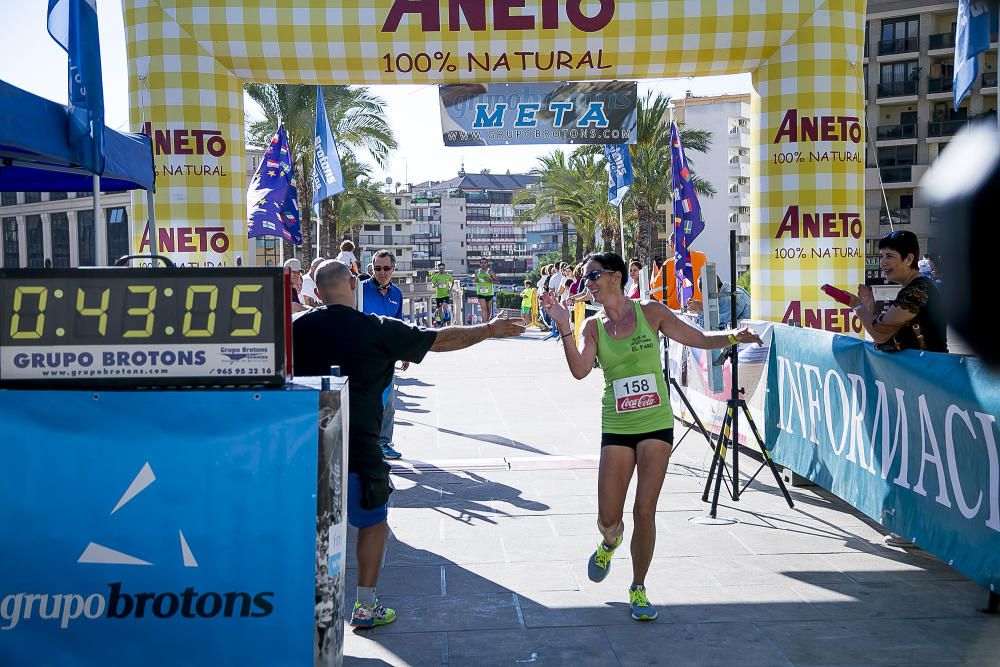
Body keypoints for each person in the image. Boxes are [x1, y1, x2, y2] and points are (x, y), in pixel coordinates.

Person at [293, 260, 525, 629]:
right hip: (361, 450)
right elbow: (441, 339)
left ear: (316, 293)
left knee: (305, 528)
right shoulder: (377, 329)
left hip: (305, 453)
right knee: (373, 523)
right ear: (355, 283)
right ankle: (365, 606)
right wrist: (489, 329)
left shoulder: (295, 329)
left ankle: (303, 606)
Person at [541, 252, 762, 622]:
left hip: (656, 422)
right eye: (584, 278)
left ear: (616, 277)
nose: (587, 284)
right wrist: (564, 325)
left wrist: (732, 336)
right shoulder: (592, 327)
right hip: (618, 425)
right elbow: (580, 370)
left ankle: (638, 587)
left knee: (645, 510)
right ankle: (610, 542)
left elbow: (697, 338)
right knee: (608, 517)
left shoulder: (651, 312)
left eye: (593, 276)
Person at [847, 230, 947, 548]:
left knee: (918, 461)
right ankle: (911, 526)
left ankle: (917, 530)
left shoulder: (918, 291)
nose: (884, 263)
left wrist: (864, 313)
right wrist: (873, 310)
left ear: (909, 258)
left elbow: (878, 333)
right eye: (882, 256)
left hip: (929, 386)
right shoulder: (911, 290)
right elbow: (884, 328)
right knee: (911, 458)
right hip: (917, 386)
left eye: (890, 257)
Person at [361, 250, 407, 460]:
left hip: (387, 357)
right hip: (363, 356)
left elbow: (400, 325)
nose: (382, 272)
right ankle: (364, 444)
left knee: (387, 403)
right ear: (372, 268)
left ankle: (384, 443)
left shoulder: (396, 294)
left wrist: (405, 351)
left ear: (393, 269)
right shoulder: (360, 290)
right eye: (377, 268)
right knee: (365, 401)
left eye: (386, 268)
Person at [650, 233, 707, 309]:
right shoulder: (702, 257)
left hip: (678, 314)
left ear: (673, 245)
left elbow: (657, 293)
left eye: (669, 243)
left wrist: (654, 273)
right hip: (700, 309)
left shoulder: (669, 264)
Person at [687, 277, 751, 329]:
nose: (704, 297)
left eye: (704, 293)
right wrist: (702, 306)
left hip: (749, 341)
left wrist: (700, 311)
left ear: (711, 289)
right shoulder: (727, 292)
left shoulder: (728, 299)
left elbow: (715, 327)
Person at [431, 262, 454, 327]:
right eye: (440, 268)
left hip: (446, 295)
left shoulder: (448, 275)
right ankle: (441, 322)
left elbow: (452, 281)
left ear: (444, 269)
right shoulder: (436, 276)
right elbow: (432, 285)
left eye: (443, 268)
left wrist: (450, 289)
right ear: (438, 269)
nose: (441, 270)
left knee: (444, 306)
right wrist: (436, 285)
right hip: (438, 296)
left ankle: (447, 316)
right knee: (440, 309)